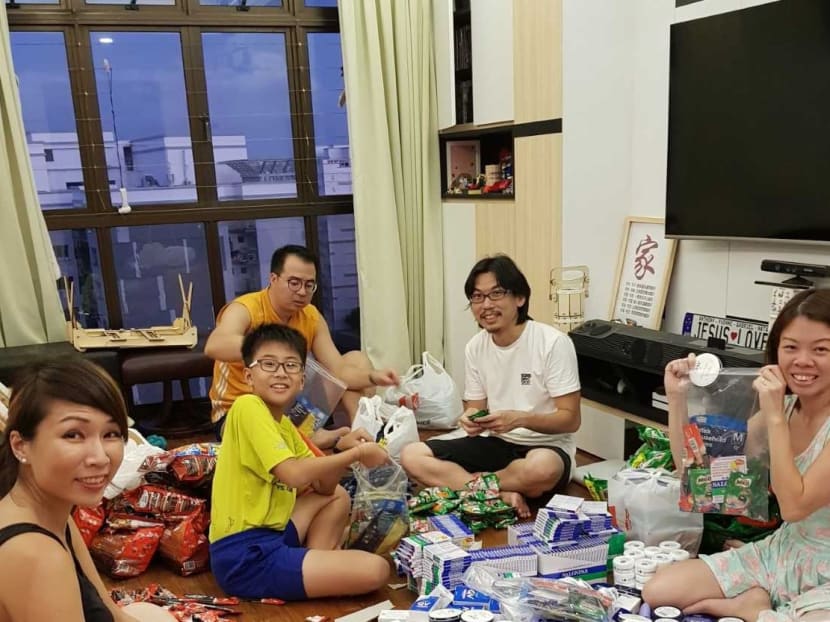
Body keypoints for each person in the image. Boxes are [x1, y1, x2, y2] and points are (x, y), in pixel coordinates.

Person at [644, 288, 830, 622]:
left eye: (821, 349)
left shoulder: (777, 412)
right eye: (790, 347)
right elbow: (700, 478)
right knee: (659, 590)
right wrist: (677, 399)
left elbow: (794, 506)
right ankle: (764, 605)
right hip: (786, 550)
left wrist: (774, 416)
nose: (802, 361)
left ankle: (756, 610)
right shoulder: (784, 409)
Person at [209, 323, 391, 601]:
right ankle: (317, 566)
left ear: (303, 380)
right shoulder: (247, 406)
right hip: (245, 556)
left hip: (274, 534)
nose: (281, 372)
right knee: (376, 570)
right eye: (268, 364)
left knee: (338, 496)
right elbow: (293, 474)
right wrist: (354, 455)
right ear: (248, 376)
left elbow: (324, 487)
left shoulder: (285, 425)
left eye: (291, 365)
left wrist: (344, 448)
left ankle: (316, 562)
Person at [400, 254, 581, 518]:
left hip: (546, 446)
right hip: (496, 442)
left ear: (520, 298)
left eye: (496, 294)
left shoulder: (552, 343)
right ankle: (500, 491)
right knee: (411, 455)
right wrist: (470, 418)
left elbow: (570, 419)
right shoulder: (476, 346)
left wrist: (520, 419)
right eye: (477, 297)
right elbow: (475, 407)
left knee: (541, 470)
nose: (486, 305)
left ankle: (475, 487)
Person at [0, 357, 174, 622]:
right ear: (20, 445)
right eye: (73, 435)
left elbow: (113, 613)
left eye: (111, 433)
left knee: (151, 615)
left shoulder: (54, 514)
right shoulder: (36, 554)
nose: (100, 457)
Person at [206, 244, 399, 447]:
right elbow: (215, 345)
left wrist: (373, 377)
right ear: (273, 279)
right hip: (241, 411)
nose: (301, 292)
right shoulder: (245, 308)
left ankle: (362, 433)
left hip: (291, 406)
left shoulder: (311, 316)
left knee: (357, 360)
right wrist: (274, 349)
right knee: (259, 417)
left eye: (309, 285)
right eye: (294, 283)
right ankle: (324, 439)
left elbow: (339, 372)